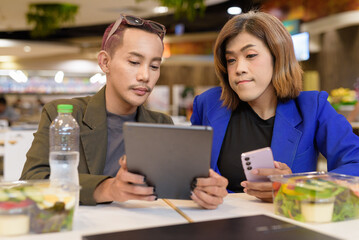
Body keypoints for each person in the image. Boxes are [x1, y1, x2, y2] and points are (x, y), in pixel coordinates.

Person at [21, 14, 228, 209]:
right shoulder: (65, 114)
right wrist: (107, 188)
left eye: (154, 66)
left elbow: (174, 190)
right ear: (105, 62)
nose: (145, 75)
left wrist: (203, 191)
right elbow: (32, 180)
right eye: (134, 62)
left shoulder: (160, 123)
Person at [190, 11, 359, 202]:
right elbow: (186, 171)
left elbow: (356, 163)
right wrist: (196, 188)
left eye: (251, 55)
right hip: (217, 223)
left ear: (278, 57)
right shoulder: (208, 104)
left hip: (285, 223)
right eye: (231, 60)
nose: (239, 68)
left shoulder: (313, 107)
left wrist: (297, 186)